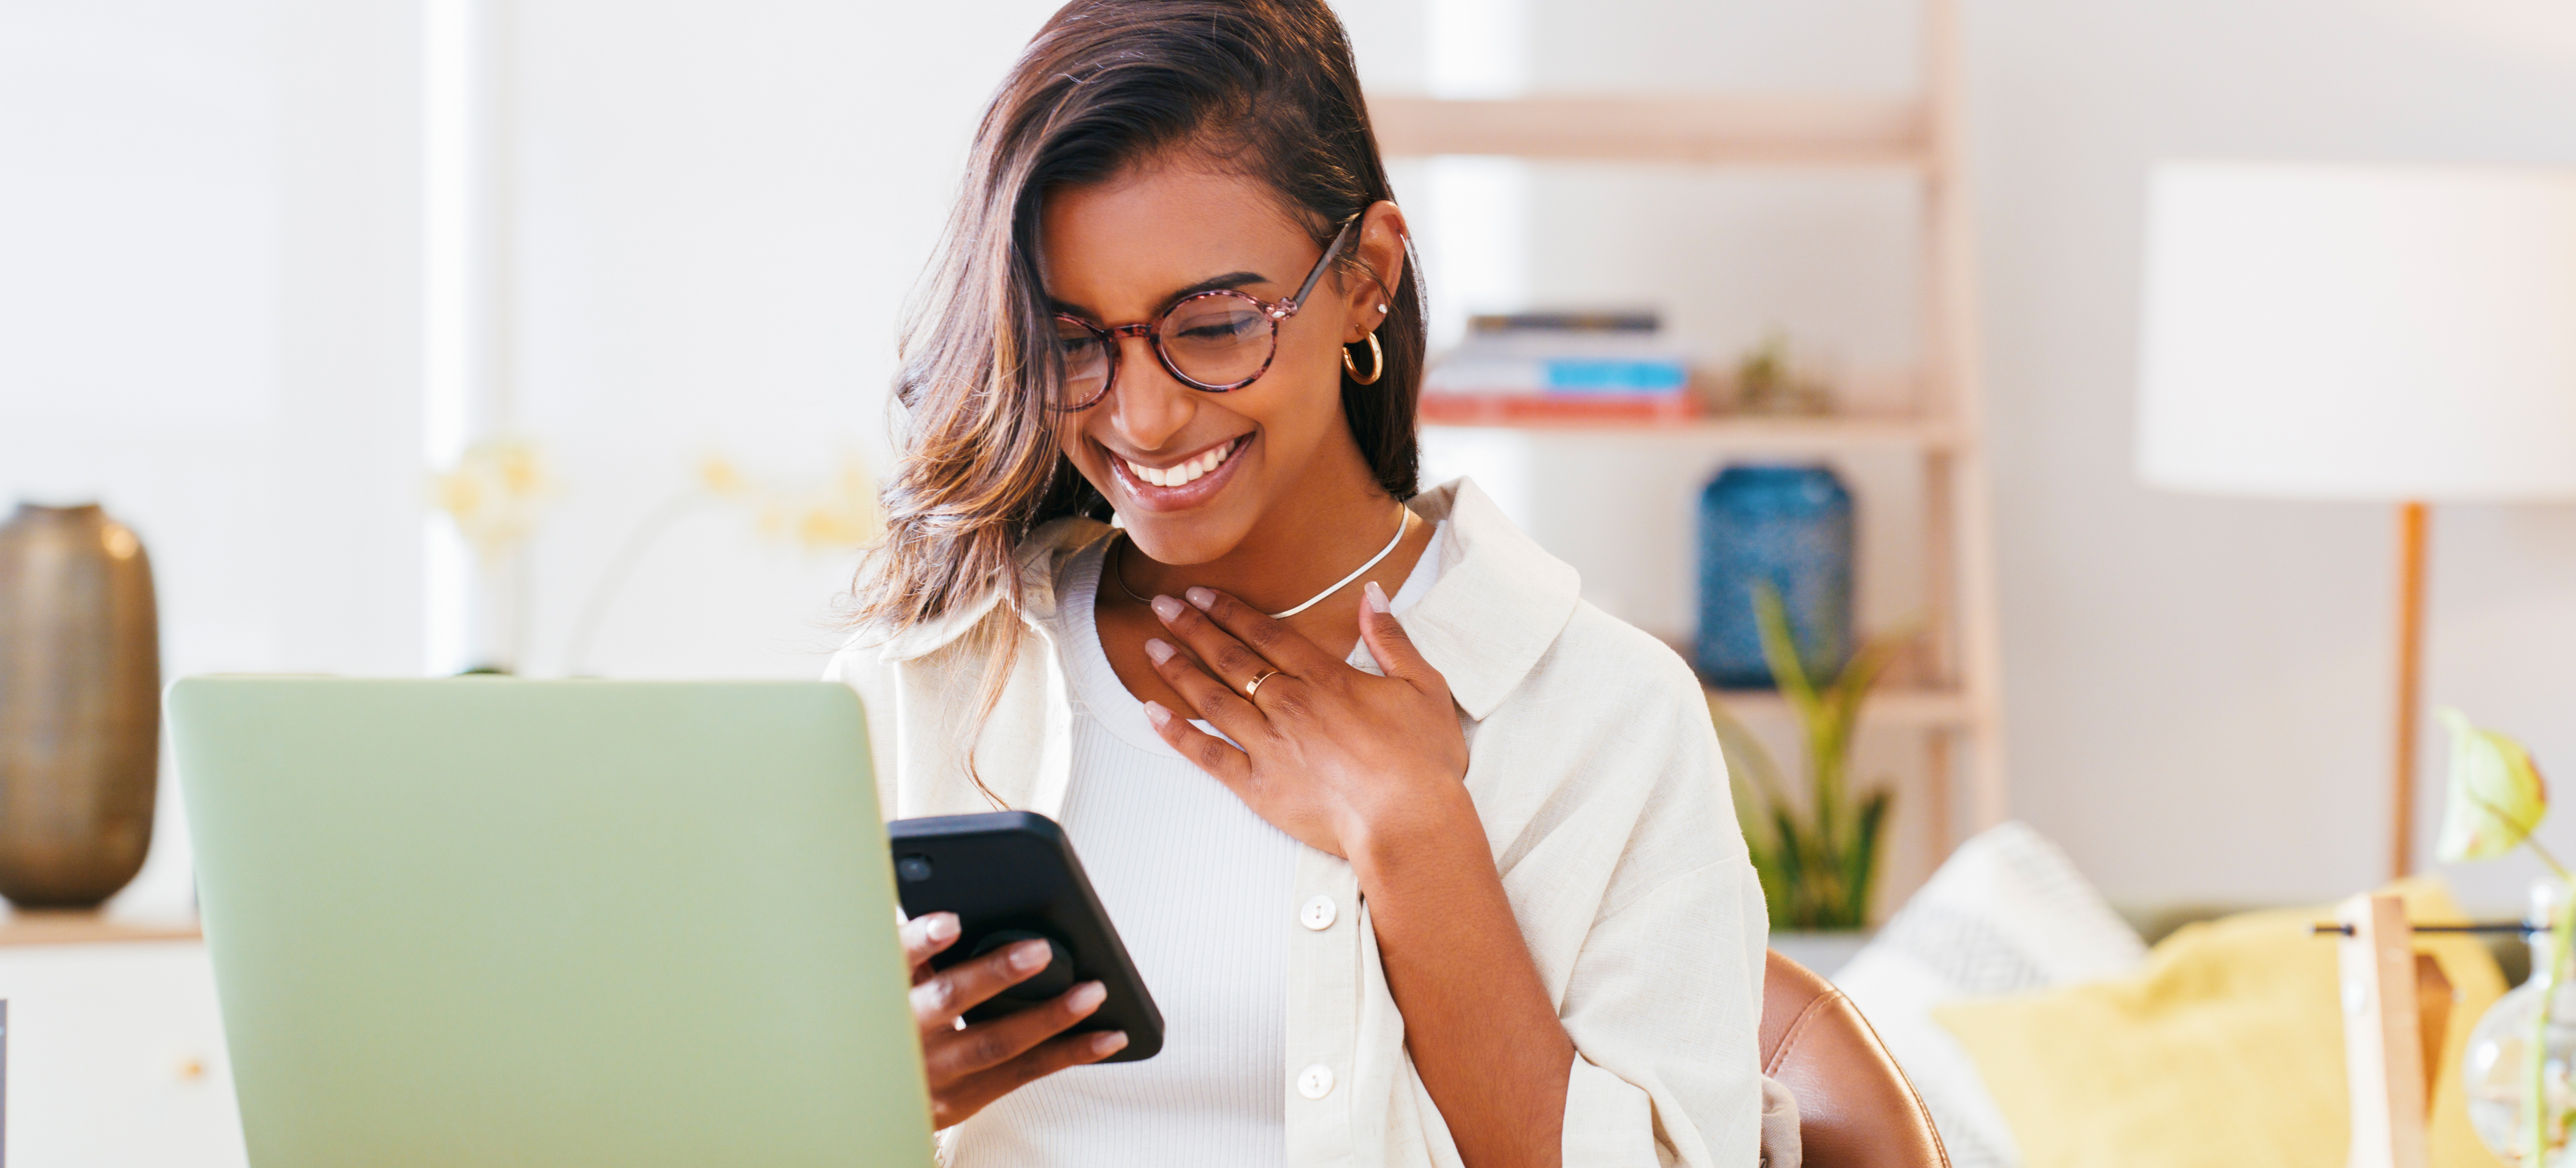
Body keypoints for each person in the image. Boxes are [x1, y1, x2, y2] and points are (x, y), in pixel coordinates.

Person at [827, 2, 1781, 1165]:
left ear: (1367, 277)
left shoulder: (1605, 715)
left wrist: (1418, 837)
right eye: (1073, 340)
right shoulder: (929, 676)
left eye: (1219, 324)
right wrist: (860, 1088)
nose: (1143, 415)